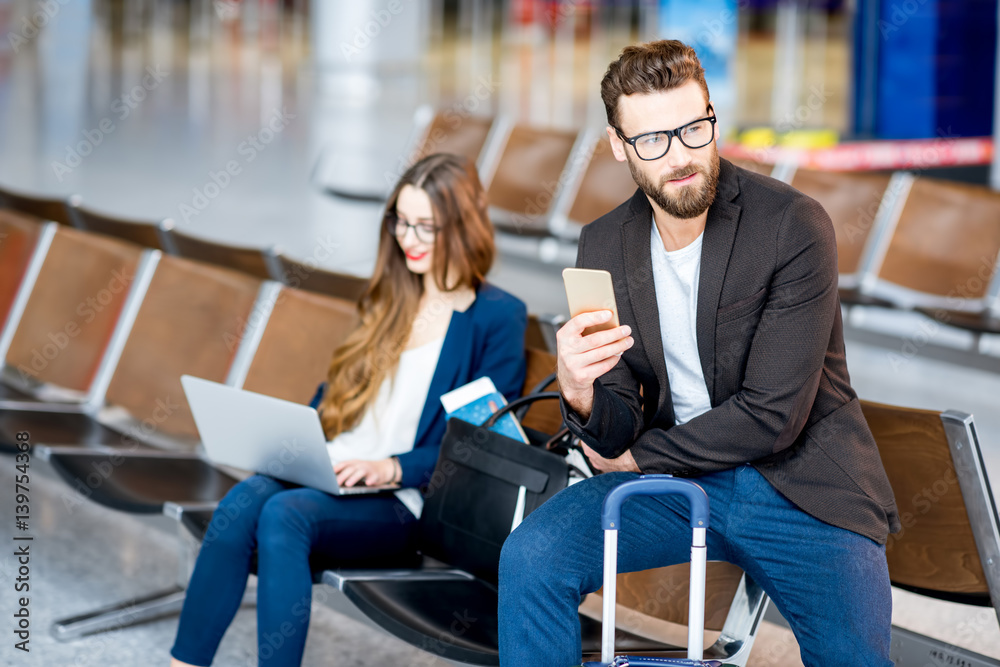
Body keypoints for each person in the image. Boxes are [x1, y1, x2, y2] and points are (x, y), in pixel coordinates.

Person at [497, 40, 899, 666]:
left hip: (798, 486)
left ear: (713, 117)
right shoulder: (603, 243)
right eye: (653, 140)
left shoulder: (792, 225)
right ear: (619, 147)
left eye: (692, 129)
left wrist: (634, 456)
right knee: (532, 556)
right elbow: (615, 422)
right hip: (670, 483)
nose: (680, 155)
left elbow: (773, 413)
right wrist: (578, 390)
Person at [169, 153, 527, 667]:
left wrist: (393, 467)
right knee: (243, 498)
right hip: (337, 468)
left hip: (404, 499)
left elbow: (479, 444)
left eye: (426, 226)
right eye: (401, 222)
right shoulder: (390, 296)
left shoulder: (496, 317)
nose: (409, 239)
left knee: (284, 515)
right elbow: (333, 396)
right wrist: (296, 442)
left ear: (464, 225)